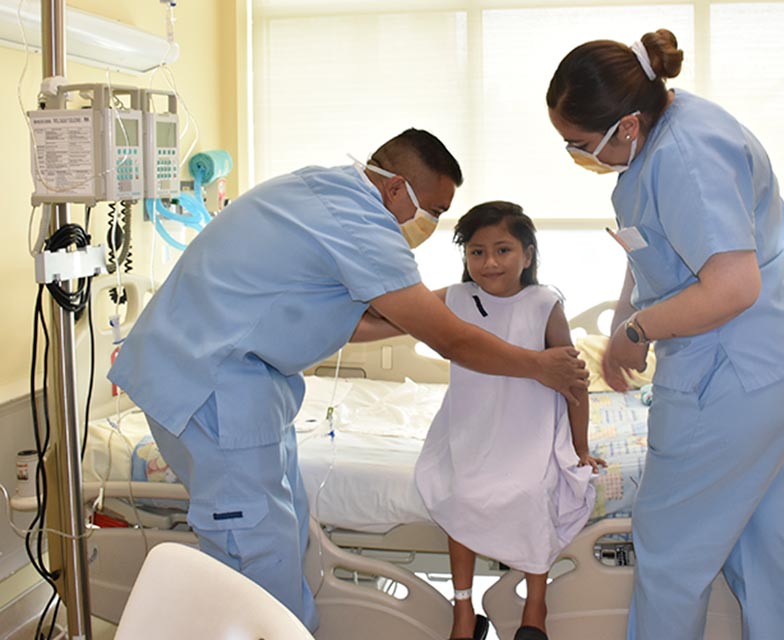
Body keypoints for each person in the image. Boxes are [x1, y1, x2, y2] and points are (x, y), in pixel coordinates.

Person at [107, 129, 588, 632]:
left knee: (284, 531)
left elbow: (359, 322)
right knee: (254, 553)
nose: (433, 224)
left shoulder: (323, 189)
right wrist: (536, 364)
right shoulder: (362, 224)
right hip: (213, 389)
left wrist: (446, 302)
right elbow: (454, 342)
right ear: (398, 189)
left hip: (234, 385)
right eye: (437, 210)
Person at [546, 30, 784, 640]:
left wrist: (637, 327)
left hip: (744, 371)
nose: (575, 155)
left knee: (672, 553)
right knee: (771, 540)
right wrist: (625, 310)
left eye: (578, 144)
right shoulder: (672, 124)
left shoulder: (683, 157)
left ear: (626, 125)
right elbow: (658, 240)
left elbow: (732, 287)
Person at [355, 201, 605, 640]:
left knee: (532, 492)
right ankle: (464, 610)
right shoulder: (454, 298)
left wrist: (580, 447)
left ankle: (536, 606)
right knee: (462, 493)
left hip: (527, 427)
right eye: (476, 252)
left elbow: (574, 383)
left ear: (527, 255)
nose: (489, 262)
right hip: (470, 425)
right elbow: (387, 319)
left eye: (503, 250)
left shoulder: (544, 304)